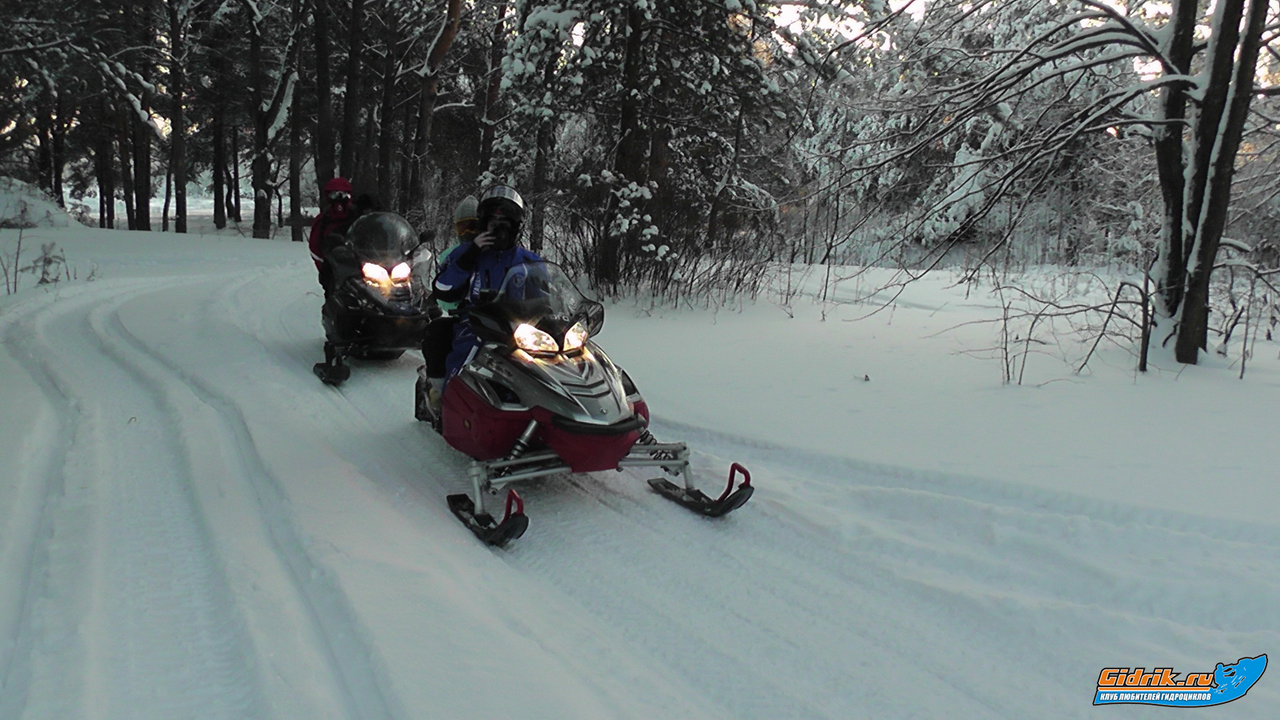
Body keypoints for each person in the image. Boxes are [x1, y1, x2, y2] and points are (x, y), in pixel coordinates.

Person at [420, 186, 542, 414]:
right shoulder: (464, 254)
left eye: (504, 223)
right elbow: (443, 288)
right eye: (493, 223)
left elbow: (547, 296)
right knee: (468, 352)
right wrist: (470, 256)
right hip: (475, 324)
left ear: (515, 227)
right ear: (484, 223)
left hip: (520, 328)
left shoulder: (529, 261)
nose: (499, 228)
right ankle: (450, 405)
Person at [308, 177, 355, 297]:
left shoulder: (358, 217)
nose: (339, 198)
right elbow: (314, 248)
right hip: (333, 272)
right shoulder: (322, 220)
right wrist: (326, 267)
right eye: (335, 194)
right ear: (328, 196)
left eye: (344, 194)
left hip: (359, 269)